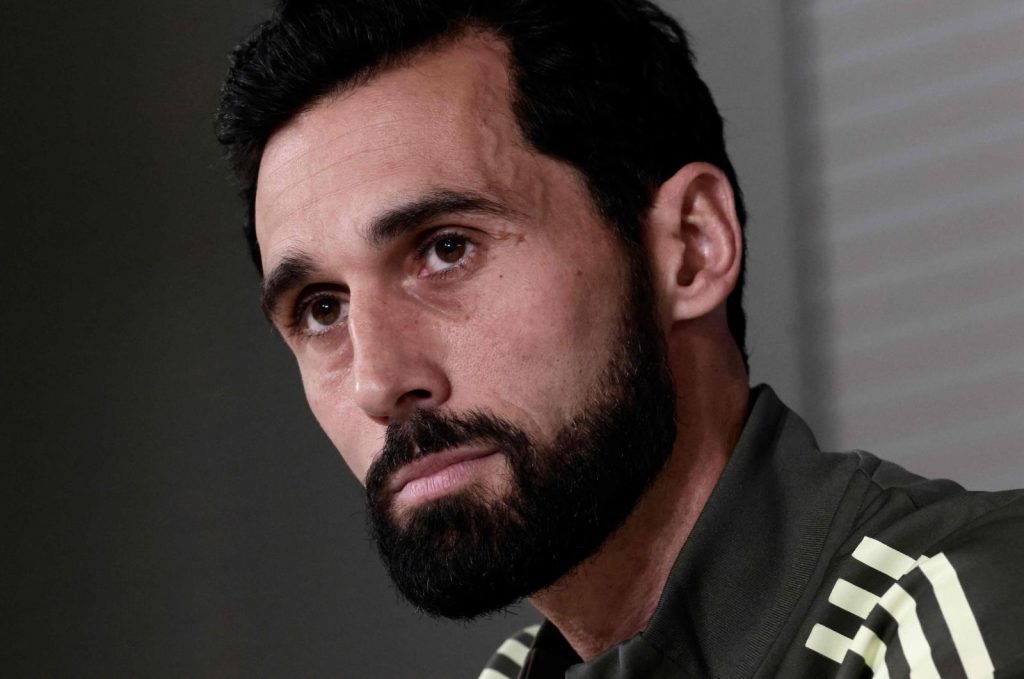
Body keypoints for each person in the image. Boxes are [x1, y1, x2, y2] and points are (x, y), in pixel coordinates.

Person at [215, 1, 1024, 676]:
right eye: (322, 308)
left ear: (692, 247)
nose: (377, 381)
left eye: (447, 249)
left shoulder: (961, 620)